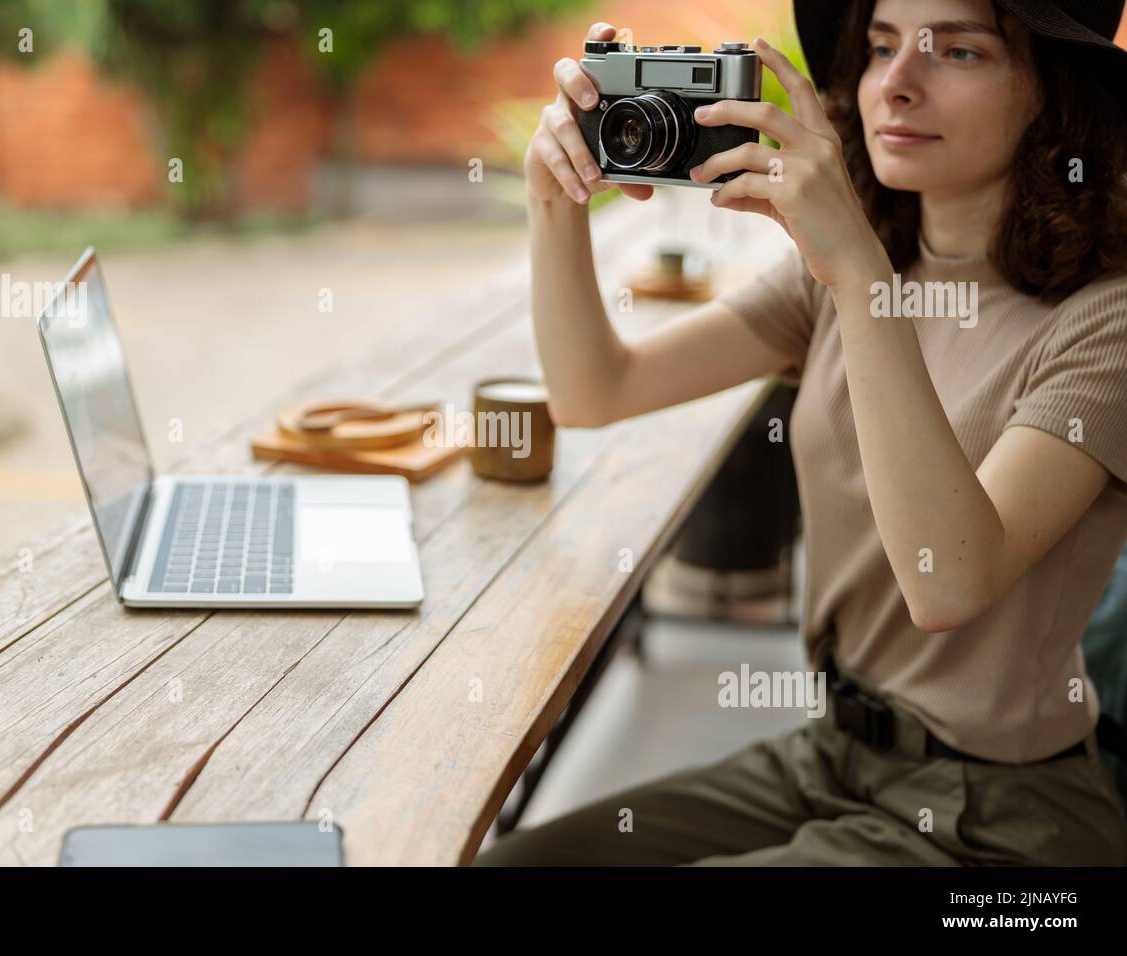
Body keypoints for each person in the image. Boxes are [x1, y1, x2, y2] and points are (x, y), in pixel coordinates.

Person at [474, 0, 1127, 866]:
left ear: (1055, 96)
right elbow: (597, 390)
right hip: (829, 757)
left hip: (1001, 823)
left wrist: (858, 273)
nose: (895, 85)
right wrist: (551, 200)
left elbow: (948, 584)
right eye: (881, 47)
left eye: (957, 52)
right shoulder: (846, 276)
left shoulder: (1104, 322)